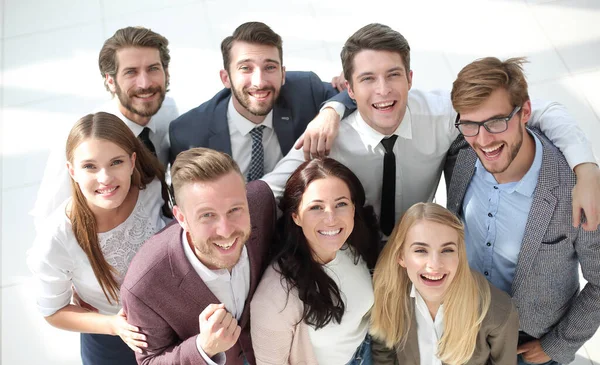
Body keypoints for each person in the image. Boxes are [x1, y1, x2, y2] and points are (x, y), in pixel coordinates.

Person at [262, 23, 600, 238]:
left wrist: (586, 171)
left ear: (410, 78)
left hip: (418, 244)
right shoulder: (329, 137)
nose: (383, 91)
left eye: (393, 75)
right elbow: (269, 189)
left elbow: (544, 109)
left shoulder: (440, 112)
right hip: (347, 245)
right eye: (368, 79)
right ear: (349, 89)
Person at [445, 57, 600, 365]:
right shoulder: (460, 154)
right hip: (464, 326)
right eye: (471, 125)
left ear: (525, 112)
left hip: (530, 344)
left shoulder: (575, 189)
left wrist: (558, 345)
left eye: (496, 122)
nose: (484, 140)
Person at [27, 112, 172, 365]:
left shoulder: (151, 188)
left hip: (172, 325)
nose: (105, 178)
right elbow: (53, 311)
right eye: (90, 166)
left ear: (132, 160)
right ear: (72, 171)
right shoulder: (56, 239)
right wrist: (114, 325)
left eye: (116, 162)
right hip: (110, 344)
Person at [120, 148, 276, 364]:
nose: (226, 230)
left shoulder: (261, 202)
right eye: (207, 215)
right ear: (181, 218)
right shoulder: (144, 286)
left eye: (234, 210)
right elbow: (150, 361)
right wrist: (203, 348)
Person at [32, 26, 179, 230]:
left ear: (166, 72)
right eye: (131, 72)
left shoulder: (168, 111)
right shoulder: (82, 139)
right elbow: (48, 217)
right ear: (110, 81)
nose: (145, 83)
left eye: (153, 68)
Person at [168, 21, 342, 180]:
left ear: (283, 74)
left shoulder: (306, 89)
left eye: (270, 67)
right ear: (226, 78)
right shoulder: (188, 132)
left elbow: (351, 94)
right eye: (245, 68)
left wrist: (330, 112)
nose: (259, 82)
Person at [251, 157, 380, 364]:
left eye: (341, 204)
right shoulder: (277, 297)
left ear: (354, 208)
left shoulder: (354, 245)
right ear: (296, 216)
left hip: (363, 354)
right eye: (316, 207)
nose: (331, 218)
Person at [370, 202, 518, 364]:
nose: (434, 264)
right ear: (401, 257)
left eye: (447, 250)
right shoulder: (388, 296)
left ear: (460, 255)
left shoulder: (497, 310)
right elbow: (383, 352)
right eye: (420, 250)